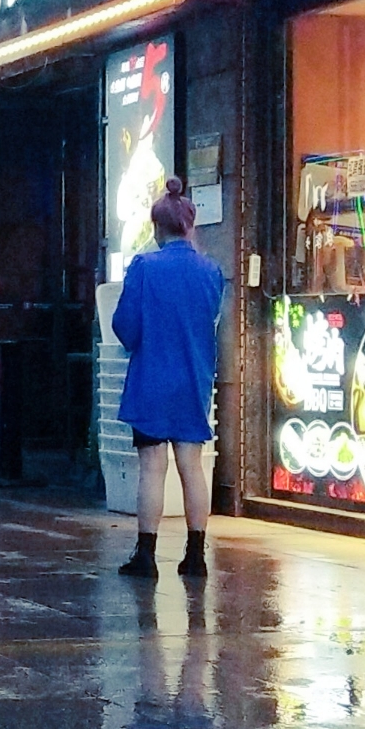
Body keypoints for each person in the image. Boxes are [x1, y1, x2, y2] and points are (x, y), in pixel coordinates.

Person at [112, 177, 227, 582]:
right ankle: (195, 556)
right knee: (192, 466)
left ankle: (146, 555)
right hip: (194, 376)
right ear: (190, 226)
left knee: (152, 467)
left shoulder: (145, 266)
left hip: (151, 379)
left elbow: (125, 326)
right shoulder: (211, 271)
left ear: (158, 228)